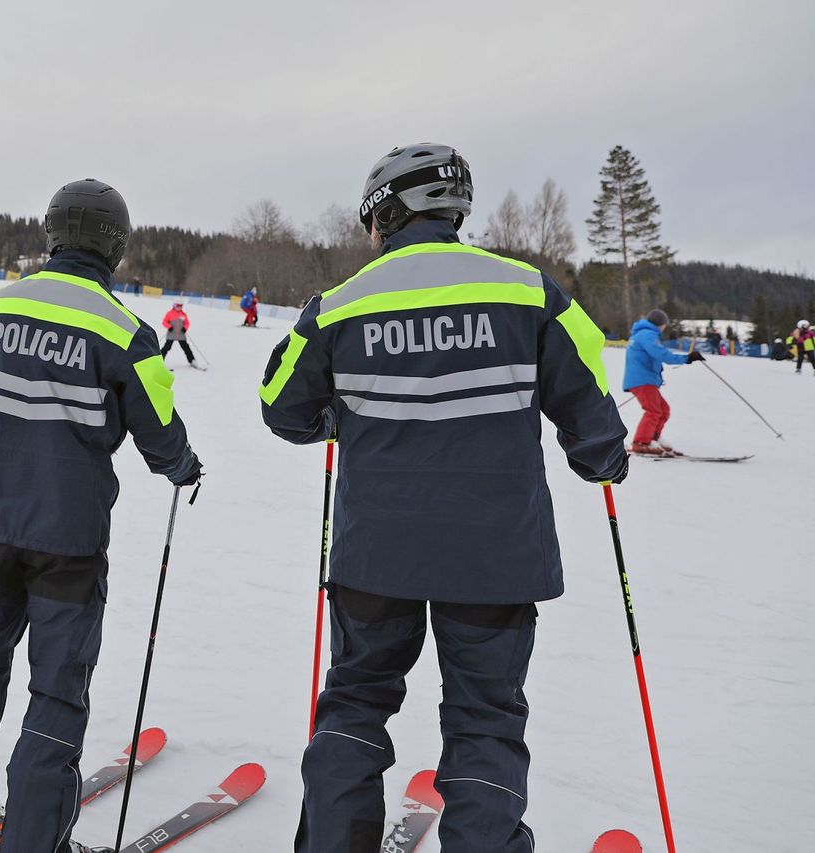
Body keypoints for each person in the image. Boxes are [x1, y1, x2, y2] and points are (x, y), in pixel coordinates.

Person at [259, 143, 628, 853]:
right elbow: (590, 403)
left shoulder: (340, 305)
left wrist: (338, 416)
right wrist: (603, 459)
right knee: (486, 722)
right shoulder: (529, 291)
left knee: (355, 704)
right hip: (495, 557)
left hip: (375, 558)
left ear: (390, 213)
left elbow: (281, 405)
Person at [0, 179, 200, 853]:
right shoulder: (126, 331)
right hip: (67, 542)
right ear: (116, 248)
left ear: (51, 236)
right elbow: (159, 431)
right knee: (56, 695)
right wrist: (185, 466)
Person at [623, 309, 705, 455]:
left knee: (663, 410)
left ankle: (653, 439)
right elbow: (661, 354)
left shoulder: (642, 334)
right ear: (661, 324)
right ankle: (641, 443)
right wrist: (686, 358)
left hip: (643, 380)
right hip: (643, 380)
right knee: (654, 411)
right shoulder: (648, 335)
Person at [160, 302, 197, 366]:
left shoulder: (183, 314)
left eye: (181, 306)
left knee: (186, 347)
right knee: (167, 347)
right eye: (178, 305)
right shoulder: (170, 313)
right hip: (171, 334)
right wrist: (169, 327)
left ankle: (192, 361)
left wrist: (185, 328)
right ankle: (159, 360)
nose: (179, 307)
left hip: (181, 334)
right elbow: (164, 322)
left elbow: (187, 323)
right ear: (174, 305)